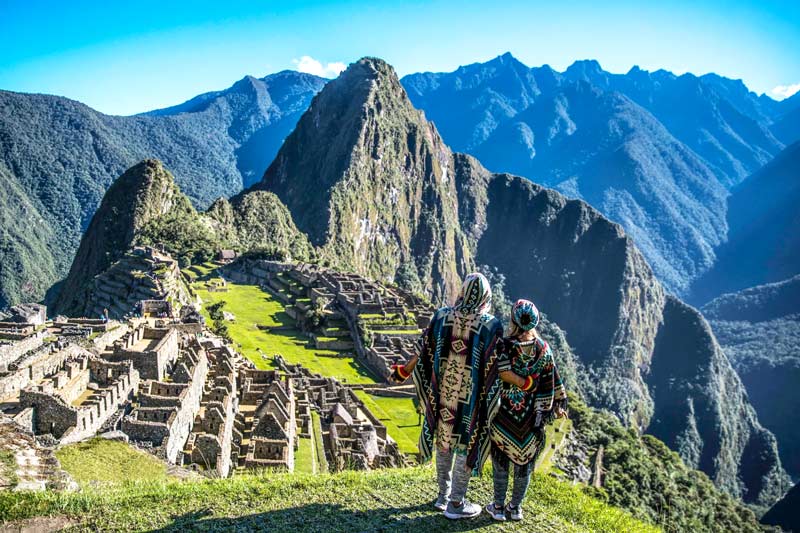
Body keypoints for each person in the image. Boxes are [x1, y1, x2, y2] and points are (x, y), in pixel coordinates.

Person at [389, 272, 503, 520]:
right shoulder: (490, 325)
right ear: (485, 296)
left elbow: (423, 351)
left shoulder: (441, 317)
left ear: (462, 292)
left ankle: (443, 496)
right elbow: (496, 366)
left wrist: (403, 372)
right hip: (470, 401)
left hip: (442, 396)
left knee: (443, 441)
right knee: (464, 443)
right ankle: (456, 503)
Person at [485, 299, 567, 522]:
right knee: (524, 465)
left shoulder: (505, 345)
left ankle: (499, 507)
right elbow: (553, 380)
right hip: (533, 418)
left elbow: (501, 373)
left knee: (501, 461)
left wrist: (523, 383)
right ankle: (516, 507)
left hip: (504, 415)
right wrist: (558, 404)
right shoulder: (544, 350)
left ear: (513, 320)